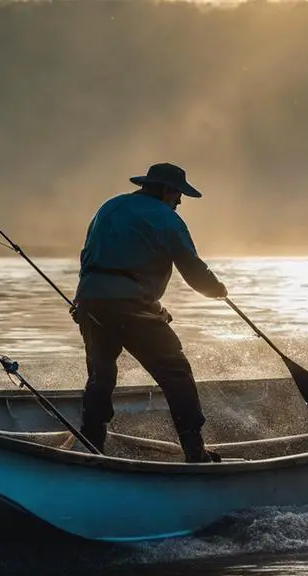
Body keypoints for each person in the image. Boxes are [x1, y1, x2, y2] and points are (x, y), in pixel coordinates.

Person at [73, 162, 227, 463]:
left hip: (90, 302)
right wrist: (217, 289)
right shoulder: (166, 218)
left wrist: (88, 302)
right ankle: (195, 452)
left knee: (101, 377)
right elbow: (192, 269)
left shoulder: (110, 207)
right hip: (131, 308)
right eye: (179, 194)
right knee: (176, 374)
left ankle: (92, 447)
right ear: (167, 191)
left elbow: (90, 255)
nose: (180, 201)